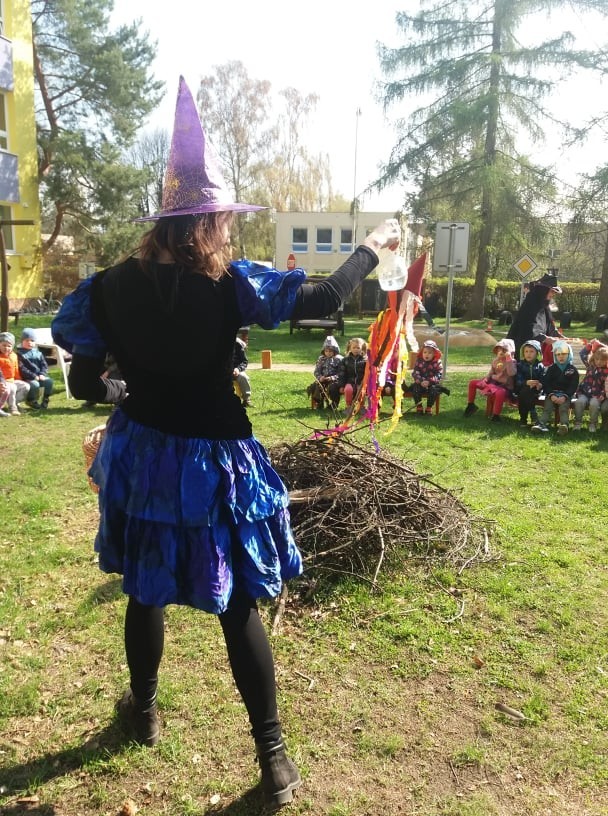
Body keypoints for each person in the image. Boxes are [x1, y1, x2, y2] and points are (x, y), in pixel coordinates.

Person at [51, 76, 401, 810]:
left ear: (161, 223)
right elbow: (320, 299)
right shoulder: (232, 284)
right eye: (225, 223)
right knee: (238, 604)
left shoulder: (105, 289)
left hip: (144, 457)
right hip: (216, 465)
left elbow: (83, 383)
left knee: (144, 590)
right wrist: (370, 248)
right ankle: (273, 760)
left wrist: (124, 386)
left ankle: (144, 711)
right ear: (209, 223)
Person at [507, 273, 563, 364]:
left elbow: (549, 325)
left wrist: (560, 336)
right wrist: (545, 338)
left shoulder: (544, 304)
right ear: (543, 290)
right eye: (552, 291)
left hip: (537, 351)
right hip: (523, 350)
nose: (553, 294)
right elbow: (529, 328)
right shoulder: (531, 304)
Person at [531, 339, 579, 435]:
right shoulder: (552, 368)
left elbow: (573, 385)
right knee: (547, 408)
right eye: (558, 354)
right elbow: (546, 383)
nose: (561, 356)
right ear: (555, 356)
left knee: (563, 409)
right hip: (552, 394)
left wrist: (565, 396)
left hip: (565, 395)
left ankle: (564, 425)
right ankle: (541, 424)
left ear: (569, 355)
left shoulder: (572, 370)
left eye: (564, 354)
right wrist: (551, 394)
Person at [463, 339, 516, 422]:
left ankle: (496, 415)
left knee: (500, 393)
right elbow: (491, 373)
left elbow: (511, 373)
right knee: (473, 383)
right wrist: (486, 379)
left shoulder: (512, 362)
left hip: (504, 387)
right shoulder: (496, 361)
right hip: (492, 383)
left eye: (504, 350)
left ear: (510, 351)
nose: (501, 352)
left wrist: (508, 359)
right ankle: (471, 405)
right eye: (499, 349)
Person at [572, 343, 608, 432]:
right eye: (597, 359)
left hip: (597, 395)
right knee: (579, 402)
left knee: (594, 404)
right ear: (593, 358)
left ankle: (593, 423)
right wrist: (590, 345)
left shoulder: (606, 371)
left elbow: (606, 386)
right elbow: (582, 354)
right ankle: (578, 423)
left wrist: (602, 394)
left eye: (602, 360)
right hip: (584, 392)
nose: (599, 362)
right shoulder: (590, 365)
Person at [407, 339, 448, 414]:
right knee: (415, 388)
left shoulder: (437, 362)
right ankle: (419, 406)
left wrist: (429, 381)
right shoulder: (419, 361)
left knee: (434, 390)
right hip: (420, 383)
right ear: (422, 352)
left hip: (432, 384)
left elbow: (438, 374)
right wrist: (421, 381)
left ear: (434, 354)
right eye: (425, 352)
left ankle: (429, 407)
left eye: (429, 353)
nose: (427, 354)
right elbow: (415, 373)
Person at [17, 328, 54, 409]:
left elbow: (44, 365)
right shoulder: (19, 354)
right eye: (27, 340)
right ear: (22, 341)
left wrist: (42, 374)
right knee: (35, 384)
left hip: (39, 376)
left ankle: (45, 399)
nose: (29, 342)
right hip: (27, 377)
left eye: (32, 340)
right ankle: (31, 400)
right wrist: (33, 376)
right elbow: (22, 368)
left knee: (49, 382)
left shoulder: (38, 353)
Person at [513, 340, 545, 427]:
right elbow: (518, 380)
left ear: (537, 353)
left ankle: (523, 420)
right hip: (522, 389)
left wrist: (540, 385)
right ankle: (532, 414)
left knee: (527, 393)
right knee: (525, 392)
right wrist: (526, 382)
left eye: (531, 351)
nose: (528, 354)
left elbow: (543, 379)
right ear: (523, 353)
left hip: (536, 390)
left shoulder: (540, 366)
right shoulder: (520, 365)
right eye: (526, 351)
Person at [307, 335, 342, 410]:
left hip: (334, 380)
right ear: (324, 351)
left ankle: (334, 404)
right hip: (323, 379)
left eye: (330, 351)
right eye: (326, 351)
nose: (328, 353)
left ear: (335, 351)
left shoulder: (339, 359)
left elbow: (341, 372)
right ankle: (319, 402)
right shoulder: (321, 359)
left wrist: (332, 378)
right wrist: (320, 377)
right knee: (316, 386)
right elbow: (317, 371)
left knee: (333, 388)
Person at [0, 331, 30, 415]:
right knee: (12, 387)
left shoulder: (14, 355)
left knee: (26, 386)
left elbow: (16, 369)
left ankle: (15, 403)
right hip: (3, 381)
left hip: (12, 380)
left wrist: (19, 379)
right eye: (4, 345)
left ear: (12, 346)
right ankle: (12, 408)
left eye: (9, 346)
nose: (6, 348)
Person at [338, 337, 368, 411]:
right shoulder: (345, 360)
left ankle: (361, 406)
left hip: (361, 382)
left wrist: (364, 382)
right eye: (354, 347)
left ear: (362, 348)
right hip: (349, 382)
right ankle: (349, 406)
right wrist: (342, 385)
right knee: (348, 390)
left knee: (361, 391)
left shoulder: (365, 360)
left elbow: (368, 372)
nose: (356, 349)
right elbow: (342, 373)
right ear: (350, 348)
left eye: (358, 348)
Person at [232, 335, 252, 407]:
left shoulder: (237, 343)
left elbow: (244, 361)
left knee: (243, 377)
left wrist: (238, 369)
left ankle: (246, 400)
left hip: (236, 370)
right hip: (222, 370)